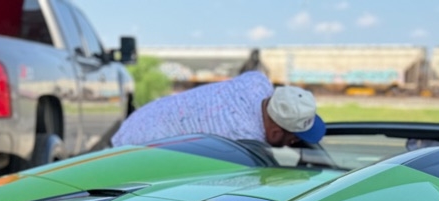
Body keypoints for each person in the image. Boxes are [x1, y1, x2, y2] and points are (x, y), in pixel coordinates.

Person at [110, 71, 326, 149]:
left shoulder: (257, 83)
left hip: (144, 117)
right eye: (294, 139)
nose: (295, 143)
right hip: (140, 144)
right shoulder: (244, 140)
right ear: (276, 133)